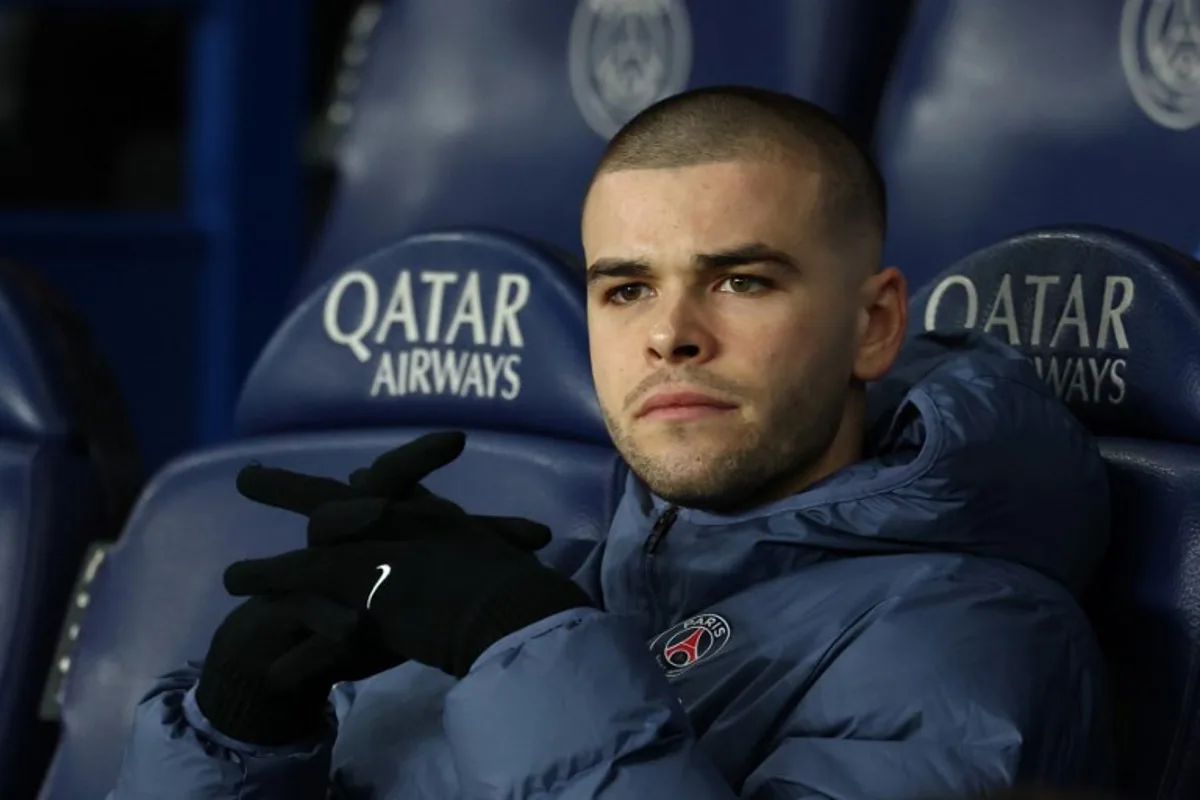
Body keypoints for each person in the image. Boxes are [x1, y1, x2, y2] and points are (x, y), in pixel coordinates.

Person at [108, 86, 1113, 799]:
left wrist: (519, 639)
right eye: (626, 287)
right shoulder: (584, 591)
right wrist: (240, 731)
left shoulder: (973, 638)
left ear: (874, 324)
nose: (669, 332)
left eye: (741, 279)